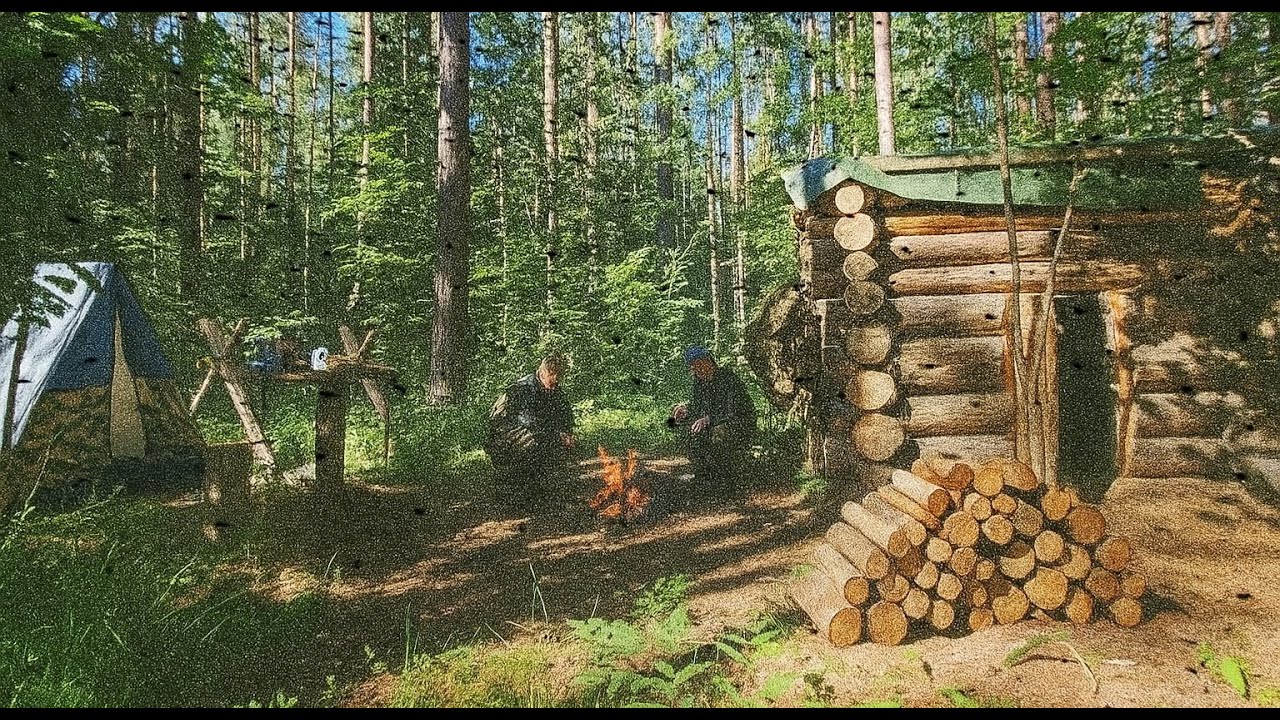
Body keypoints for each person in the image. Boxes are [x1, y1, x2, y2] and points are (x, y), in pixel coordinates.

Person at [484, 352, 576, 507]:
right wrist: (557, 435)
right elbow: (529, 422)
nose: (554, 385)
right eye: (552, 380)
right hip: (504, 439)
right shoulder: (524, 389)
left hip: (529, 433)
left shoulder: (553, 389)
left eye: (557, 381)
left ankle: (542, 486)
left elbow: (565, 415)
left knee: (558, 443)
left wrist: (568, 433)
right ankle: (517, 490)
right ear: (543, 373)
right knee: (535, 441)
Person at [669, 346, 758, 492]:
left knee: (719, 433)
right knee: (690, 431)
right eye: (693, 367)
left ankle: (726, 480)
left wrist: (708, 419)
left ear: (708, 361)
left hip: (740, 423)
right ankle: (703, 475)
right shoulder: (699, 382)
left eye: (697, 365)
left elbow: (732, 410)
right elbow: (697, 407)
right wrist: (685, 411)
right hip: (716, 421)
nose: (695, 370)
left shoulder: (727, 379)